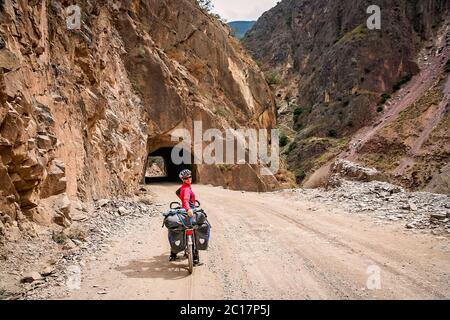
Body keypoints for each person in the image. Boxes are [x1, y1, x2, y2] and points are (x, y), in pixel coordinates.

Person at [169, 169, 200, 265]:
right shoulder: (186, 189)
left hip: (183, 211)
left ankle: (173, 253)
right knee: (194, 230)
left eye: (190, 177)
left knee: (180, 229)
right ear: (182, 179)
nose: (188, 179)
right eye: (186, 178)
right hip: (189, 212)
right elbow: (186, 199)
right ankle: (195, 259)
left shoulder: (183, 188)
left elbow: (182, 197)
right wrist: (189, 209)